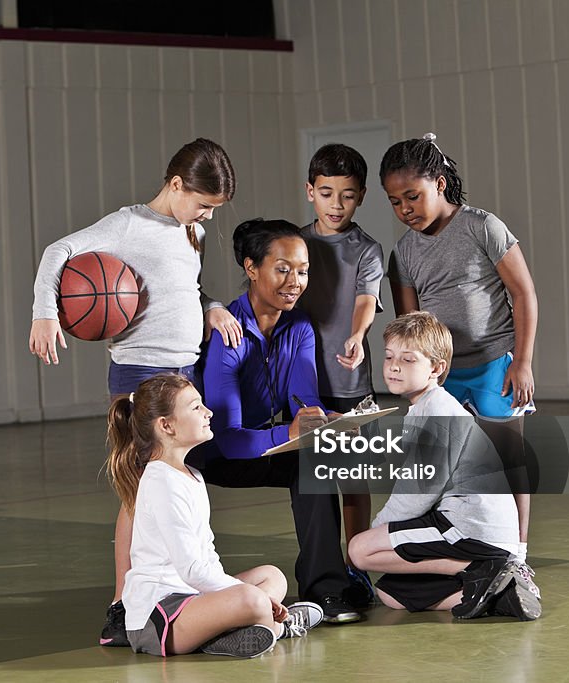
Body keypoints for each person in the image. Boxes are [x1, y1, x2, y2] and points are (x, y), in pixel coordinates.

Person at [29, 138, 245, 647]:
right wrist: (44, 312)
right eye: (204, 204)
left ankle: (171, 595)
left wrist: (211, 305)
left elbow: (182, 286)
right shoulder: (128, 225)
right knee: (137, 494)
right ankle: (122, 605)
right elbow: (56, 251)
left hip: (183, 370)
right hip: (140, 374)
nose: (208, 217)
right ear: (176, 185)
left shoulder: (190, 230)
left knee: (175, 489)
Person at [381, 133, 541, 599]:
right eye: (395, 202)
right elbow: (409, 325)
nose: (405, 208)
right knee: (446, 469)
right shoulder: (404, 253)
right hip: (441, 378)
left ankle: (517, 557)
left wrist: (524, 362)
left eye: (413, 196)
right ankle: (466, 557)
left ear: (441, 183)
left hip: (495, 365)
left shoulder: (482, 227)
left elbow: (523, 293)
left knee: (508, 462)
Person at [190, 218, 362, 624]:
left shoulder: (300, 326)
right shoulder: (227, 332)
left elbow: (304, 401)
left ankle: (327, 590)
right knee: (299, 449)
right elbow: (228, 439)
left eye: (302, 271)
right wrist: (291, 431)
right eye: (282, 269)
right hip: (215, 453)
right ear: (251, 268)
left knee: (314, 462)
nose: (295, 281)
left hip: (267, 445)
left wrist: (331, 421)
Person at [107, 373, 324, 657]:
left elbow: (206, 558)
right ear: (166, 425)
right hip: (160, 617)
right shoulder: (161, 483)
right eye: (196, 407)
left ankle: (237, 630)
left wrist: (231, 595)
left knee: (272, 577)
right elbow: (192, 570)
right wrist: (248, 596)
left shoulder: (191, 475)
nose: (208, 412)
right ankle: (278, 627)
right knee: (253, 599)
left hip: (195, 599)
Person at [347, 312, 541, 620]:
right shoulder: (424, 406)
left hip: (471, 528)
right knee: (392, 593)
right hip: (466, 528)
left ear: (436, 368)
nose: (395, 366)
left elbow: (418, 492)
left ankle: (488, 569)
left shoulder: (439, 410)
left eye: (409, 360)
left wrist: (378, 529)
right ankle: (499, 595)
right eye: (389, 357)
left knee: (360, 550)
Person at [298, 143, 384, 608]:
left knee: (352, 481)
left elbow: (365, 300)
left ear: (361, 196)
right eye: (326, 193)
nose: (336, 205)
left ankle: (358, 566)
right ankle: (325, 570)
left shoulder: (366, 249)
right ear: (310, 191)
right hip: (304, 387)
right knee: (312, 485)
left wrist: (356, 335)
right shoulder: (293, 244)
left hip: (350, 386)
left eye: (347, 195)